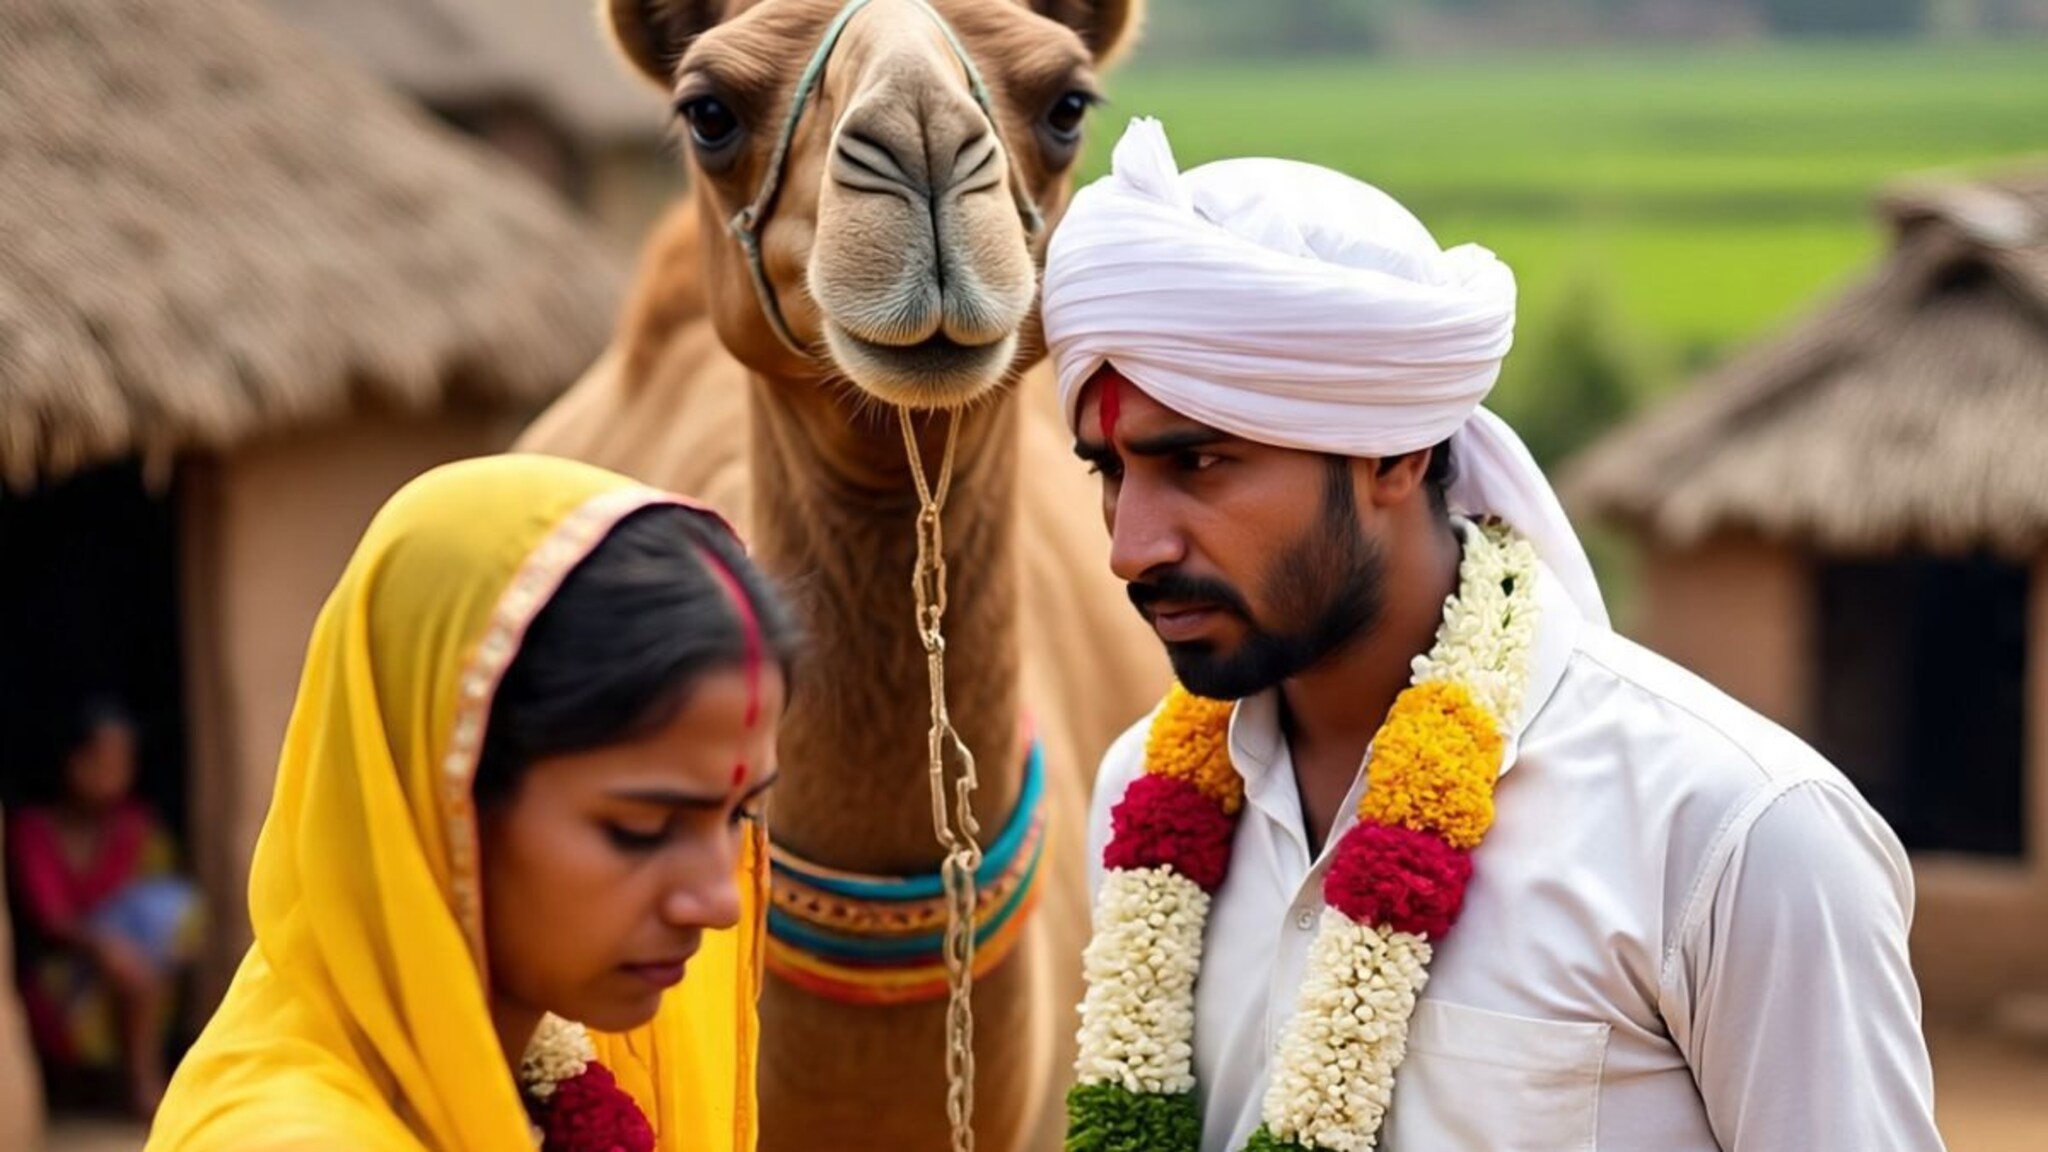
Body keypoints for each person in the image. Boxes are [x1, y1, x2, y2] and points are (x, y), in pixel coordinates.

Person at [1044, 119, 1944, 1152]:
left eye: (1199, 464)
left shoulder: (1733, 836)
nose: (1130, 547)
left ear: (1393, 453)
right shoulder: (1135, 795)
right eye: (1109, 472)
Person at [145, 454, 798, 1151]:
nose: (720, 903)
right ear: (441, 798)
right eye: (641, 827)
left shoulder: (541, 1062)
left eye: (741, 816)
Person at [7, 700, 200, 1116]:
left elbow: (168, 909)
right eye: (101, 760)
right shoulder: (34, 831)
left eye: (123, 762)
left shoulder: (136, 828)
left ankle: (143, 1078)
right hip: (58, 971)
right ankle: (141, 1084)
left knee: (159, 923)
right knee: (128, 962)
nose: (114, 773)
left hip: (136, 962)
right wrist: (102, 945)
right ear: (72, 762)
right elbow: (50, 920)